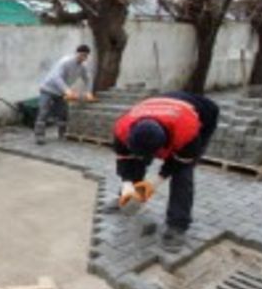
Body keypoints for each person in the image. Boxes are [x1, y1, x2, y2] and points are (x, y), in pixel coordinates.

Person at [112, 91, 219, 252]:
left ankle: (178, 225)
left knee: (183, 173)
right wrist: (127, 185)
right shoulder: (122, 128)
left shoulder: (187, 132)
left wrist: (155, 182)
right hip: (161, 107)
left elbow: (178, 161)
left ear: (164, 145)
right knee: (137, 160)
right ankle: (127, 199)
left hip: (204, 113)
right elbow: (125, 157)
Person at [35, 44, 91, 145]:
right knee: (44, 112)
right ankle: (39, 136)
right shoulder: (65, 62)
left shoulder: (83, 66)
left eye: (85, 56)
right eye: (82, 55)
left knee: (63, 113)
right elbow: (56, 78)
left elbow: (87, 78)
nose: (83, 57)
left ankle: (62, 134)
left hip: (61, 92)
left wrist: (88, 92)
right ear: (77, 53)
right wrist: (67, 91)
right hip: (48, 89)